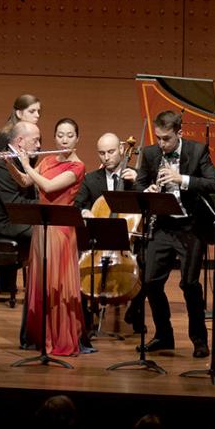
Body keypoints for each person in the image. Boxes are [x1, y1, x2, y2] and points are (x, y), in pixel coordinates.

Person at [135, 110, 215, 358]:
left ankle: (199, 340)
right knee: (151, 282)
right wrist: (149, 190)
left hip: (190, 226)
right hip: (163, 225)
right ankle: (164, 336)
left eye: (166, 139)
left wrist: (181, 178)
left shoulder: (197, 151)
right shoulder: (151, 153)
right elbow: (139, 185)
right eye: (158, 138)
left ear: (179, 133)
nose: (161, 144)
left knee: (190, 284)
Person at [6, 118, 86, 355]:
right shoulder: (49, 159)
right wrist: (10, 163)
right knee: (41, 283)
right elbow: (25, 180)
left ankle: (60, 337)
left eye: (70, 135)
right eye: (60, 134)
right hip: (42, 228)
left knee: (56, 286)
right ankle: (42, 336)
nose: (64, 139)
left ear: (77, 138)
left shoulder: (77, 167)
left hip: (60, 231)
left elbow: (49, 187)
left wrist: (27, 164)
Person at [73, 133, 142, 334]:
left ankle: (136, 314)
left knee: (148, 265)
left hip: (127, 241)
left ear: (121, 150)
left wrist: (137, 183)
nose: (106, 157)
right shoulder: (91, 180)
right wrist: (85, 212)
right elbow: (78, 205)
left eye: (111, 152)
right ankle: (86, 318)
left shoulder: (135, 175)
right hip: (98, 241)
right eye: (102, 153)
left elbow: (148, 202)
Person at [0, 121, 40, 340]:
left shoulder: (24, 160)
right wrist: (49, 206)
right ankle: (40, 292)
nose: (40, 145)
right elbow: (14, 204)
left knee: (52, 232)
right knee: (43, 235)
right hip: (3, 222)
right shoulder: (1, 164)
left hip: (17, 217)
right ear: (20, 141)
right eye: (36, 140)